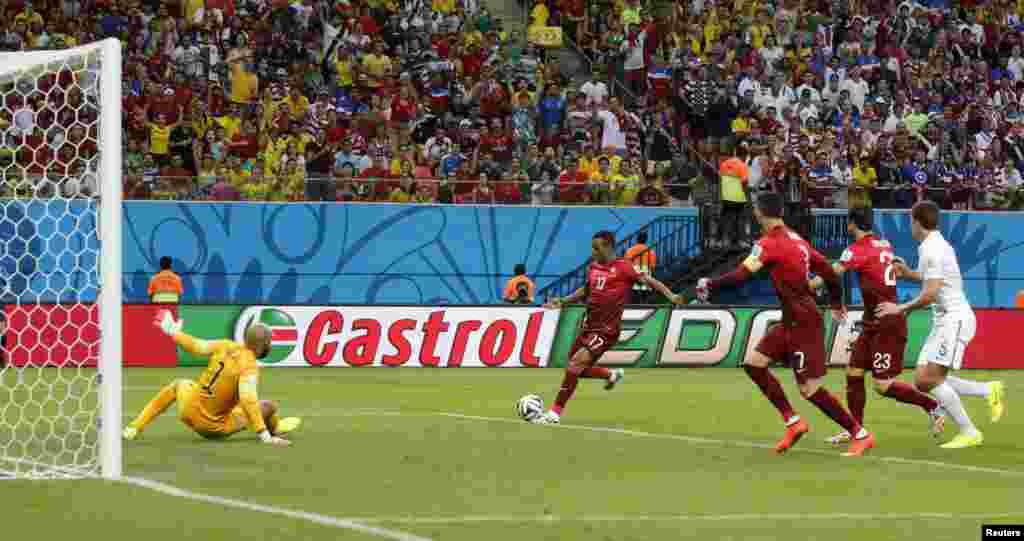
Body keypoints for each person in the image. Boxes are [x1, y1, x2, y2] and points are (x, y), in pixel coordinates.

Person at [697, 192, 875, 457]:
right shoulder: (797, 240)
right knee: (754, 364)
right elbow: (827, 270)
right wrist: (837, 302)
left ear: (759, 213)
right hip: (792, 320)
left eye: (755, 210)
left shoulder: (769, 243)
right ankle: (793, 422)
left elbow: (743, 274)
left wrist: (711, 284)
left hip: (804, 322)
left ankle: (860, 434)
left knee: (809, 389)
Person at [877, 201, 1006, 449]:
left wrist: (900, 309)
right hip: (944, 320)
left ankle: (970, 431)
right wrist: (909, 273)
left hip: (954, 319)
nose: (909, 226)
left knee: (930, 379)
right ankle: (987, 390)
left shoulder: (932, 249)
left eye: (910, 221)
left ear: (917, 221)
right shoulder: (931, 245)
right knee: (922, 379)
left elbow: (930, 293)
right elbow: (930, 280)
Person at [809, 208, 944, 445]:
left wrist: (811, 284)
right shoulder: (883, 244)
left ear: (852, 224)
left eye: (848, 224)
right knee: (853, 373)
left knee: (882, 385)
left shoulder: (857, 249)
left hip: (887, 323)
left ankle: (932, 405)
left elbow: (834, 273)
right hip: (872, 322)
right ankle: (855, 430)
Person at [533, 231, 685, 424]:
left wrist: (671, 296)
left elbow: (649, 281)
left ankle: (554, 414)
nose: (593, 252)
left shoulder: (624, 267)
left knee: (575, 365)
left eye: (596, 248)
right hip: (589, 326)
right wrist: (563, 301)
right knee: (574, 367)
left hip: (606, 330)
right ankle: (610, 374)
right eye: (592, 248)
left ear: (608, 247)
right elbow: (586, 290)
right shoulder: (594, 267)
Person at [123, 310, 300, 446]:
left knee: (179, 384)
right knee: (268, 406)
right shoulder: (249, 366)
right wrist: (263, 435)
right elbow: (248, 400)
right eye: (269, 342)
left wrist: (175, 333)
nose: (270, 345)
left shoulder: (225, 345)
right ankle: (274, 430)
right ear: (262, 346)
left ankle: (134, 427)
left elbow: (196, 346)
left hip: (189, 411)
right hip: (212, 427)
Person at [624, 231, 657, 304]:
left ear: (637, 239)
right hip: (645, 272)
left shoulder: (630, 250)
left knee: (633, 291)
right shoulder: (650, 251)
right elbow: (652, 266)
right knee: (645, 292)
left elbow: (626, 263)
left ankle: (634, 304)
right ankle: (644, 303)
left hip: (634, 272)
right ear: (646, 240)